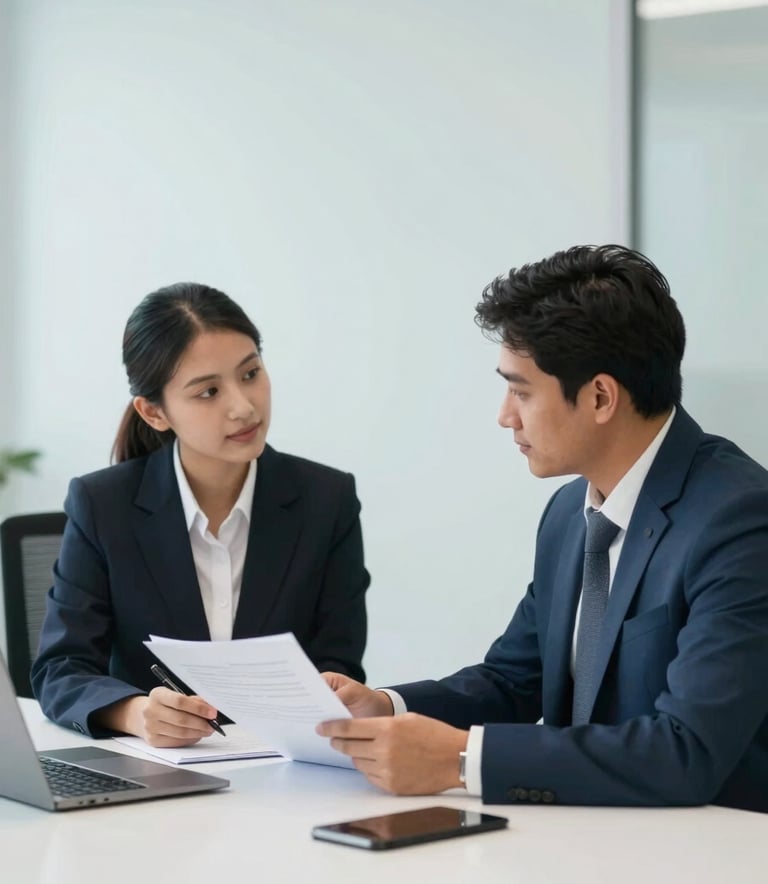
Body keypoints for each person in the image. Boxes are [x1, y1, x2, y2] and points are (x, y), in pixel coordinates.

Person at [317, 244, 768, 813]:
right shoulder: (567, 513)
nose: (505, 415)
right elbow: (512, 681)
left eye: (522, 390)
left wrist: (462, 759)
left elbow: (685, 753)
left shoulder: (740, 521)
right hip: (582, 841)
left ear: (601, 397)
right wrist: (386, 706)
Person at [32, 283, 370, 747]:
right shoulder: (102, 504)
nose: (243, 406)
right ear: (154, 412)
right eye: (208, 391)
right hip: (153, 774)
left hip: (284, 769)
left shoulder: (326, 500)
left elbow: (340, 664)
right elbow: (60, 669)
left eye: (250, 373)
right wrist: (135, 713)